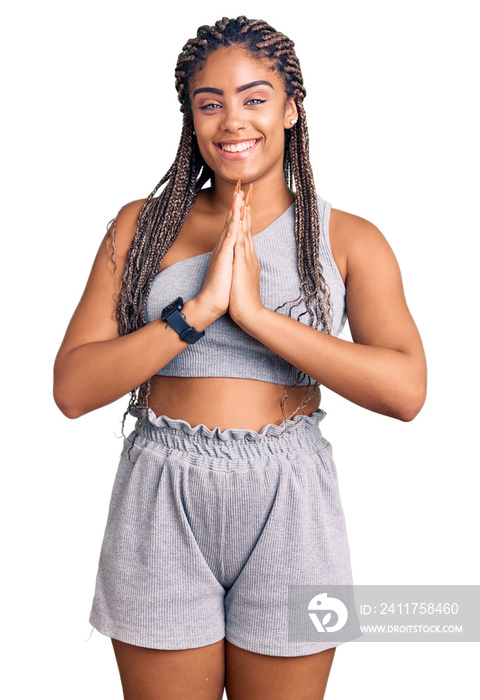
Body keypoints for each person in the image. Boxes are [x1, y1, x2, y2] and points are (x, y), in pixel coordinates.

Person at [53, 15, 427, 700]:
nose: (233, 121)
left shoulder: (350, 239)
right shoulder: (142, 226)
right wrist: (195, 312)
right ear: (191, 116)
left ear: (290, 108)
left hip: (294, 499)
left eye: (255, 98)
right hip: (161, 491)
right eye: (210, 102)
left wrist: (254, 314)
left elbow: (406, 390)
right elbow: (74, 388)